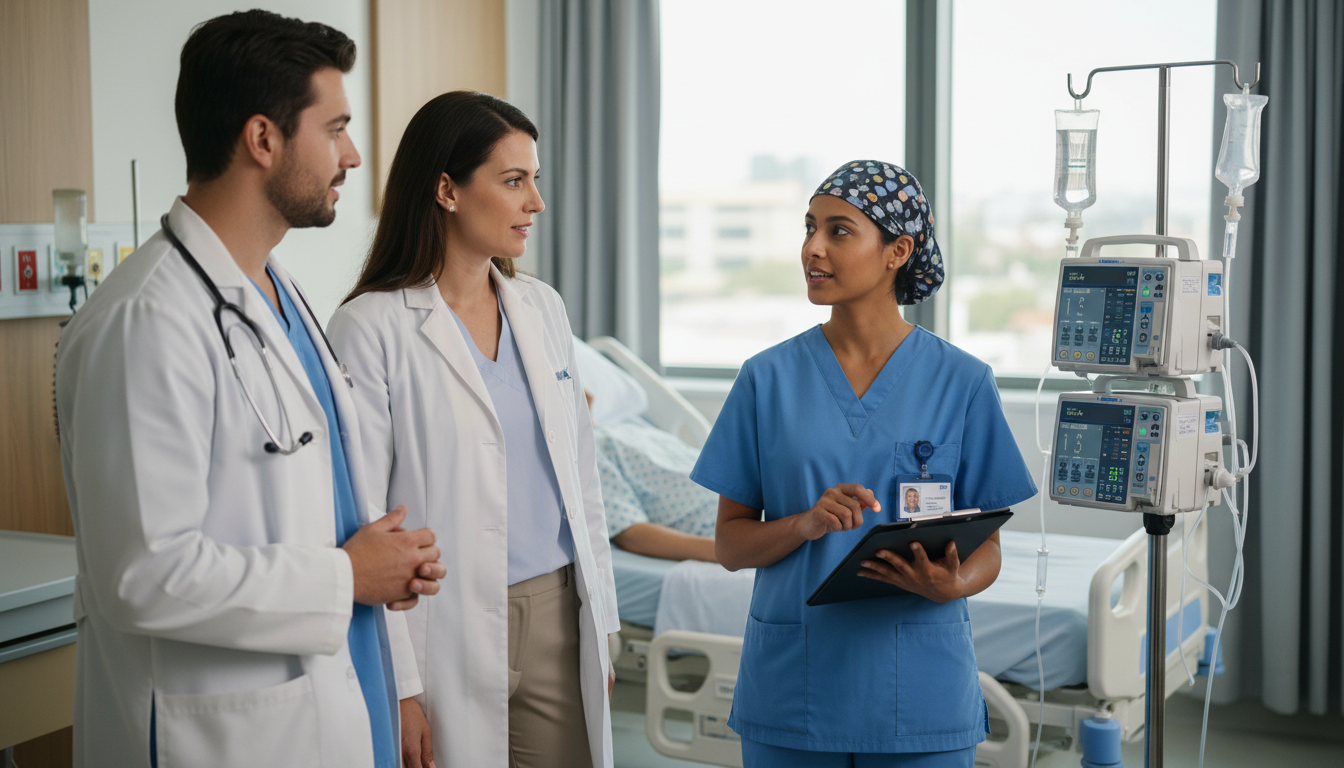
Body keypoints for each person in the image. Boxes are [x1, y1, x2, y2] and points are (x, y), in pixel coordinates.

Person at [54, 12, 444, 768]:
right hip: (225, 733)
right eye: (335, 129)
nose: (353, 155)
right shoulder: (146, 320)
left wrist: (382, 562)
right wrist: (348, 575)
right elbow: (144, 575)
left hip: (334, 697)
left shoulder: (278, 291)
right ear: (263, 139)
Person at [691, 161, 1038, 767]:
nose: (813, 248)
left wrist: (954, 584)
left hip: (920, 697)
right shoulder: (766, 380)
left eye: (839, 231)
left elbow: (987, 548)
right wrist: (804, 524)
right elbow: (730, 546)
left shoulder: (962, 382)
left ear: (897, 251)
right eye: (809, 228)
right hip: (793, 695)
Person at [328, 91, 620, 768]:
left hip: (559, 614)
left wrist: (602, 622)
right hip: (439, 626)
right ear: (446, 190)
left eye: (534, 180)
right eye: (513, 181)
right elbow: (365, 519)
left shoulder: (542, 309)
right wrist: (400, 686)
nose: (535, 203)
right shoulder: (370, 327)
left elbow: (582, 481)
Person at [584, 389, 718, 563]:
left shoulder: (630, 428)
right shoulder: (590, 451)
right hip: (724, 525)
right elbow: (631, 534)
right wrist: (730, 551)